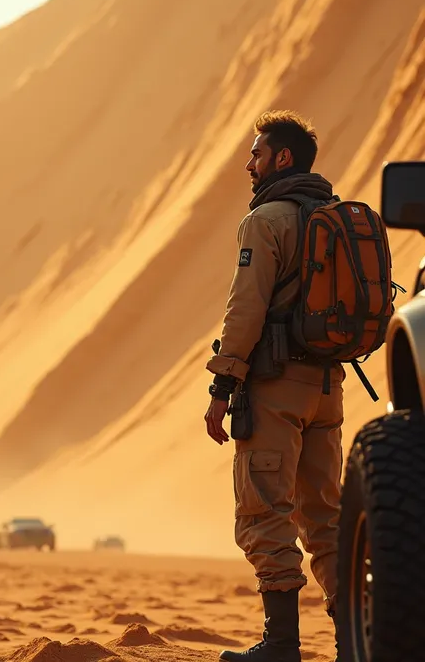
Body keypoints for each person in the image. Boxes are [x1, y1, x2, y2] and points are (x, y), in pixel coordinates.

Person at [204, 110, 343, 662]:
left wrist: (221, 388)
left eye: (257, 153)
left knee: (264, 511)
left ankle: (281, 644)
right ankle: (357, 642)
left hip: (277, 387)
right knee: (327, 517)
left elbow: (246, 309)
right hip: (328, 388)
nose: (249, 163)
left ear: (282, 158)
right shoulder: (333, 216)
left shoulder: (267, 221)